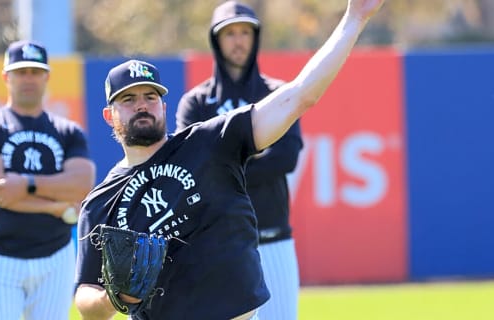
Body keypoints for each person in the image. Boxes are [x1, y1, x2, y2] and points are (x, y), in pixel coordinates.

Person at [74, 0, 384, 319]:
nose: (142, 105)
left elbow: (300, 95)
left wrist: (354, 19)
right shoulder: (102, 201)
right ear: (109, 116)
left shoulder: (209, 142)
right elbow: (85, 297)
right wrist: (110, 299)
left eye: (150, 96)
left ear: (164, 108)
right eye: (128, 99)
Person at [175, 2, 304, 319]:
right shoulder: (196, 102)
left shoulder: (277, 93)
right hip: (215, 243)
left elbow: (286, 157)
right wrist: (253, 153)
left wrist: (223, 164)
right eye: (230, 33)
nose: (238, 40)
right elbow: (189, 168)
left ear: (256, 37)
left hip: (272, 236)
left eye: (245, 31)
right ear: (216, 40)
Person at [0, 40, 97, 319]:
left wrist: (25, 184)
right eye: (21, 71)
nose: (28, 79)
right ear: (5, 77)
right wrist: (53, 205)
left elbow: (82, 184)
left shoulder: (67, 131)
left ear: (47, 76)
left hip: (55, 257)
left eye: (35, 72)